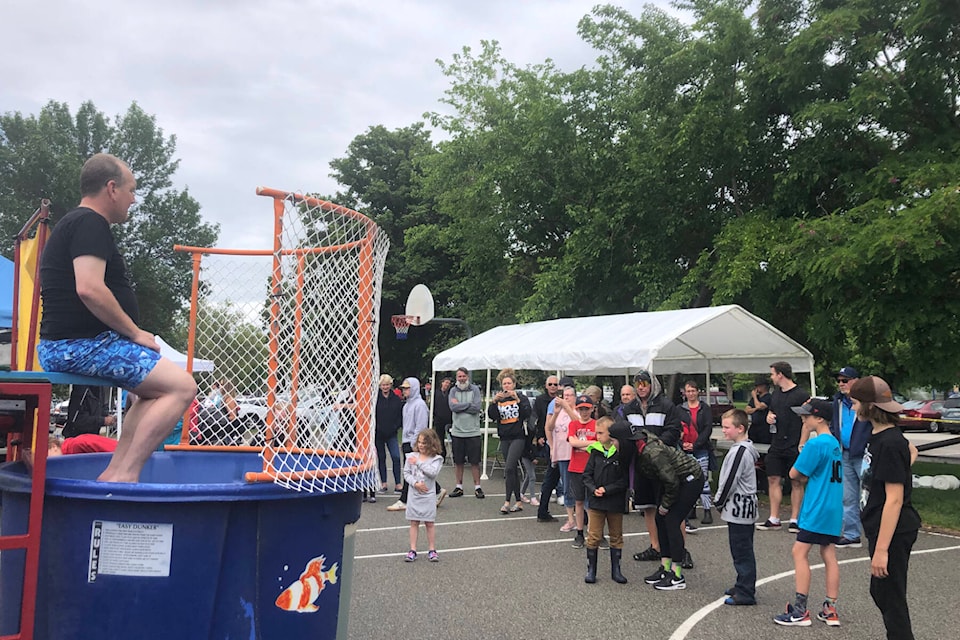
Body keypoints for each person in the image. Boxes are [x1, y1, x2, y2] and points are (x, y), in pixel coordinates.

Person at [37, 153, 197, 483]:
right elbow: (90, 289)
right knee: (183, 386)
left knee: (155, 391)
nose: (133, 199)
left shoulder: (77, 224)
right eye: (131, 190)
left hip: (78, 343)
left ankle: (115, 472)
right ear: (112, 188)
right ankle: (124, 475)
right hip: (79, 346)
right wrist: (135, 332)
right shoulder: (89, 223)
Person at [849, 376, 921, 640]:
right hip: (879, 526)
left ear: (869, 406)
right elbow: (908, 452)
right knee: (880, 591)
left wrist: (881, 550)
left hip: (893, 531)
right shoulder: (880, 437)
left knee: (891, 599)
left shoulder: (889, 442)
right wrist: (905, 460)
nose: (854, 408)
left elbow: (894, 499)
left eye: (856, 403)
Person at [610, 419, 703, 591]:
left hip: (689, 479)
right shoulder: (636, 450)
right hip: (670, 483)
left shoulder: (652, 453)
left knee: (671, 521)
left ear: (623, 441)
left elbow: (672, 482)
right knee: (660, 521)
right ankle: (665, 567)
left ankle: (677, 575)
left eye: (613, 441)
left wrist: (665, 505)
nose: (612, 445)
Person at [773, 398, 843, 627]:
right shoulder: (834, 443)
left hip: (817, 505)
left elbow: (795, 473)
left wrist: (802, 442)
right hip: (833, 507)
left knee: (799, 551)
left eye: (807, 415)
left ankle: (800, 609)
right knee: (828, 553)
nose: (803, 418)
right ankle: (830, 607)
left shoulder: (816, 444)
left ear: (819, 418)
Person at [616, 370, 683, 566]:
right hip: (642, 466)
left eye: (645, 383)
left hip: (663, 465)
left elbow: (674, 430)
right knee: (648, 507)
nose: (641, 387)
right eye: (638, 384)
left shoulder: (666, 405)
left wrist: (655, 448)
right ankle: (656, 547)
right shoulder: (629, 409)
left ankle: (680, 549)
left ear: (652, 384)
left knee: (670, 507)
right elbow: (625, 434)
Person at [757, 361, 810, 532]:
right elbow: (772, 412)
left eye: (773, 374)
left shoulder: (801, 395)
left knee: (796, 481)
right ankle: (774, 518)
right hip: (777, 444)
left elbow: (807, 422)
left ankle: (795, 519)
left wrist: (802, 443)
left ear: (780, 374)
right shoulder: (776, 395)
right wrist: (769, 417)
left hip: (794, 444)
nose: (771, 377)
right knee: (773, 478)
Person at [714, 409, 759, 606]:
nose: (723, 431)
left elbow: (730, 480)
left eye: (727, 427)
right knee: (741, 549)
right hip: (742, 508)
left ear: (740, 428)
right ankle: (742, 583)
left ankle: (746, 591)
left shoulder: (740, 451)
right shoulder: (742, 449)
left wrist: (719, 501)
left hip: (740, 508)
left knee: (742, 550)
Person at [582, 417, 629, 584]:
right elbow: (586, 475)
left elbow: (624, 480)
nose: (597, 436)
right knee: (593, 535)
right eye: (596, 432)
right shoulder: (595, 452)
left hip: (614, 501)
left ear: (611, 434)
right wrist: (593, 488)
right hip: (596, 501)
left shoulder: (621, 454)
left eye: (601, 433)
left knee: (616, 535)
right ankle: (591, 569)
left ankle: (616, 570)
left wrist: (607, 489)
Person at [388, 378, 444, 511]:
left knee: (410, 471)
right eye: (403, 389)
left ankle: (404, 499)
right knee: (412, 470)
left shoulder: (420, 405)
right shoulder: (407, 405)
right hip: (408, 441)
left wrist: (416, 443)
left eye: (407, 388)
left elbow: (421, 426)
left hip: (415, 442)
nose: (404, 391)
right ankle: (437, 490)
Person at [829, 366, 871, 548]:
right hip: (844, 453)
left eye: (845, 380)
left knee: (870, 494)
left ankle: (876, 533)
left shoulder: (867, 402)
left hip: (864, 455)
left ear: (856, 381)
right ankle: (851, 534)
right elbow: (835, 426)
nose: (841, 384)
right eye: (839, 380)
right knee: (848, 496)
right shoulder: (837, 401)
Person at [487, 368, 532, 514]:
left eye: (509, 383)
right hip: (504, 437)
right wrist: (494, 402)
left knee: (509, 468)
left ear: (514, 384)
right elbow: (492, 416)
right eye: (504, 383)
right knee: (512, 469)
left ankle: (507, 501)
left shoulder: (521, 397)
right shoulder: (500, 399)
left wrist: (517, 400)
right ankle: (518, 501)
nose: (506, 386)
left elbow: (527, 413)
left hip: (518, 437)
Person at [403, 428, 444, 563]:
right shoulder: (411, 456)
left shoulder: (436, 459)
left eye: (424, 443)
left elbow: (432, 473)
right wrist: (415, 484)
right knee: (414, 522)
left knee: (429, 523)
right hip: (414, 495)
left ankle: (432, 549)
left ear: (431, 444)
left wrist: (419, 463)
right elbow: (406, 473)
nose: (420, 445)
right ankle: (412, 549)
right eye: (419, 442)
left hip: (428, 496)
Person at [564, 394, 598, 548]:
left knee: (593, 502)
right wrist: (590, 444)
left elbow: (600, 444)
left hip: (592, 469)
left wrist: (582, 444)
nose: (584, 412)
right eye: (581, 409)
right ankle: (579, 532)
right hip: (576, 467)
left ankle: (594, 532)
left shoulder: (597, 425)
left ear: (592, 409)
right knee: (578, 501)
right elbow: (572, 442)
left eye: (587, 409)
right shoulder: (574, 425)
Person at [679, 380, 715, 525]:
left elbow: (707, 429)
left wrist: (696, 444)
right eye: (688, 391)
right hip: (685, 449)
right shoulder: (679, 409)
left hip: (701, 449)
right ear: (685, 393)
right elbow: (677, 428)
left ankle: (707, 510)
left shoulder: (705, 409)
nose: (691, 394)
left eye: (693, 391)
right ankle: (691, 508)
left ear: (697, 392)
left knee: (703, 479)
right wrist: (682, 444)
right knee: (688, 480)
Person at [447, 367, 485, 499]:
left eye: (463, 376)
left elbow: (477, 407)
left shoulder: (474, 389)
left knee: (474, 462)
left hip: (473, 432)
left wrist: (461, 406)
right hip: (457, 432)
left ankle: (477, 487)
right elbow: (452, 407)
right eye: (459, 376)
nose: (461, 378)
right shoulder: (453, 391)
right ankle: (459, 487)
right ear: (457, 378)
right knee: (458, 462)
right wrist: (468, 405)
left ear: (467, 376)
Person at [547, 385, 577, 532]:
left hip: (575, 453)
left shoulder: (577, 411)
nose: (566, 398)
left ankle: (583, 517)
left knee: (577, 486)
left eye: (569, 395)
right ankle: (571, 519)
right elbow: (550, 427)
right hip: (562, 454)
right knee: (566, 487)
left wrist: (568, 407)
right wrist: (556, 412)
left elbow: (577, 423)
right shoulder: (559, 412)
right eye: (565, 395)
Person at [534, 375, 562, 522]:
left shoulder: (565, 402)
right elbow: (541, 421)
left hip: (563, 444)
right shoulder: (542, 401)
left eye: (555, 384)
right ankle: (542, 510)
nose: (553, 386)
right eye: (550, 384)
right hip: (551, 443)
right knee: (551, 477)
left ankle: (544, 509)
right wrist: (540, 437)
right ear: (546, 385)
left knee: (555, 477)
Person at [374, 374, 403, 495]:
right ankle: (383, 483)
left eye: (387, 384)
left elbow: (400, 416)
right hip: (379, 434)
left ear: (391, 385)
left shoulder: (396, 399)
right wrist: (378, 428)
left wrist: (395, 427)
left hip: (392, 433)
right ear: (380, 386)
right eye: (383, 385)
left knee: (396, 456)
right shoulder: (375, 399)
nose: (385, 387)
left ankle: (398, 483)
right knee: (381, 458)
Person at [744, 379, 772, 495]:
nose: (757, 389)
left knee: (764, 456)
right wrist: (755, 406)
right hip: (754, 429)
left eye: (758, 386)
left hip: (764, 430)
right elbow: (747, 410)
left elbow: (760, 406)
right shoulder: (754, 398)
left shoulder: (768, 397)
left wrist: (755, 399)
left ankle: (765, 483)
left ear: (764, 386)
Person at [432, 377, 453, 462]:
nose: (447, 384)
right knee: (439, 438)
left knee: (453, 437)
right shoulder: (436, 393)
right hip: (439, 419)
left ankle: (456, 454)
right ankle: (441, 454)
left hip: (449, 419)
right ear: (442, 383)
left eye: (448, 383)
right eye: (446, 382)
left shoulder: (451, 393)